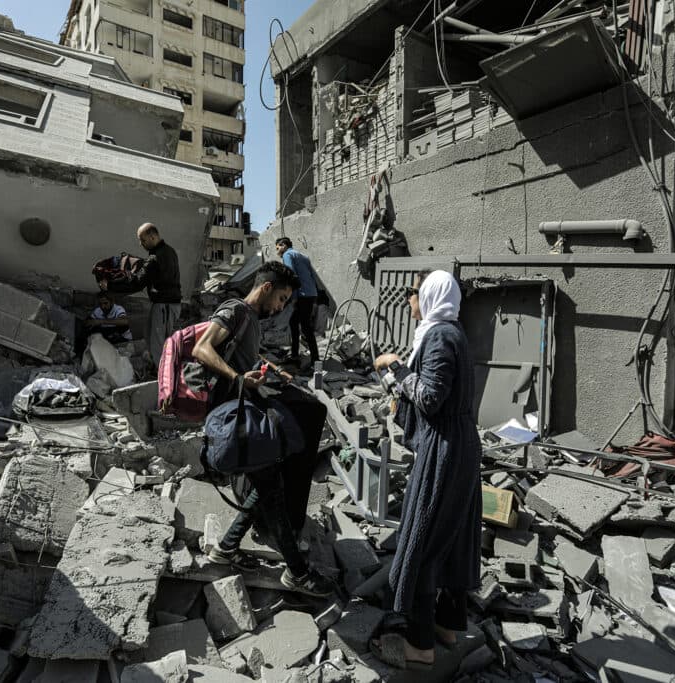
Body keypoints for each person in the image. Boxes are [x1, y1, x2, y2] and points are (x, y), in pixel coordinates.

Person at [192, 261, 335, 598]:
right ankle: (297, 573)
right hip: (234, 419)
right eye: (282, 298)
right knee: (270, 486)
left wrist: (270, 368)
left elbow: (245, 356)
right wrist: (239, 378)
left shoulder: (250, 319)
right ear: (267, 287)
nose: (281, 307)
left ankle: (226, 549)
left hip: (244, 413)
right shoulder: (235, 310)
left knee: (268, 482)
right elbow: (202, 348)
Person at [369, 270, 482, 670]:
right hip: (458, 444)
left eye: (413, 292)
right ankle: (447, 626)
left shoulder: (439, 337)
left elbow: (430, 398)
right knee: (451, 538)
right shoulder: (451, 333)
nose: (408, 299)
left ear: (430, 295)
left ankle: (419, 645)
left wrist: (397, 367)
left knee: (423, 540)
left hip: (444, 450)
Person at [102, 223, 181, 366]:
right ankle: (159, 368)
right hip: (165, 305)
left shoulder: (156, 258)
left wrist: (110, 286)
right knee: (149, 335)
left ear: (153, 237)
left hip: (165, 306)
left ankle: (163, 374)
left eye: (143, 240)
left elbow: (137, 283)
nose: (141, 244)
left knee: (158, 345)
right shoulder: (169, 251)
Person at [274, 237, 320, 372]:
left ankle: (316, 361)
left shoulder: (287, 255)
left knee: (305, 327)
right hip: (310, 294)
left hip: (302, 295)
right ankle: (295, 354)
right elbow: (312, 276)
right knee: (294, 322)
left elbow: (291, 276)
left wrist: (293, 298)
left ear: (284, 245)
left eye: (278, 247)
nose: (277, 251)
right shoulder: (303, 256)